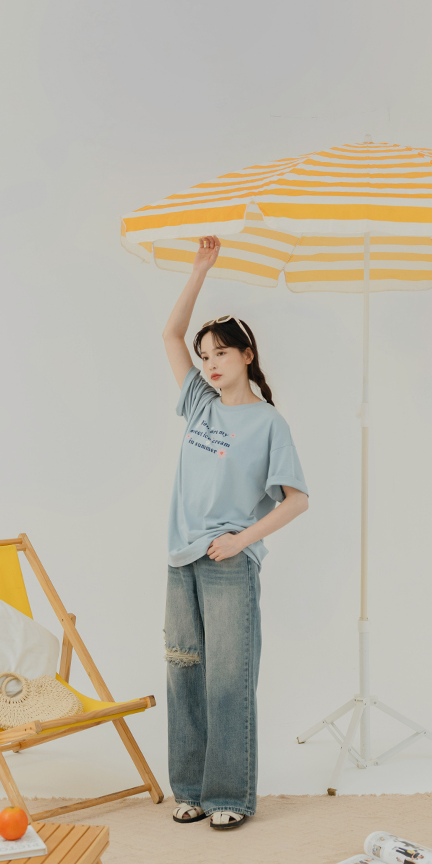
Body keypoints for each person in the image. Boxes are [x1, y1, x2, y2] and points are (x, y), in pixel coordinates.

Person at [161, 234, 310, 830]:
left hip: (228, 562)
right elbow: (170, 335)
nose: (210, 363)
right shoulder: (200, 404)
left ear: (247, 355)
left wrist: (241, 541)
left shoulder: (270, 424)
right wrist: (201, 269)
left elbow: (297, 500)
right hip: (181, 558)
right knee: (184, 675)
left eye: (221, 352)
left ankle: (229, 797)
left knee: (227, 682)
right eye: (205, 356)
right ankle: (191, 790)